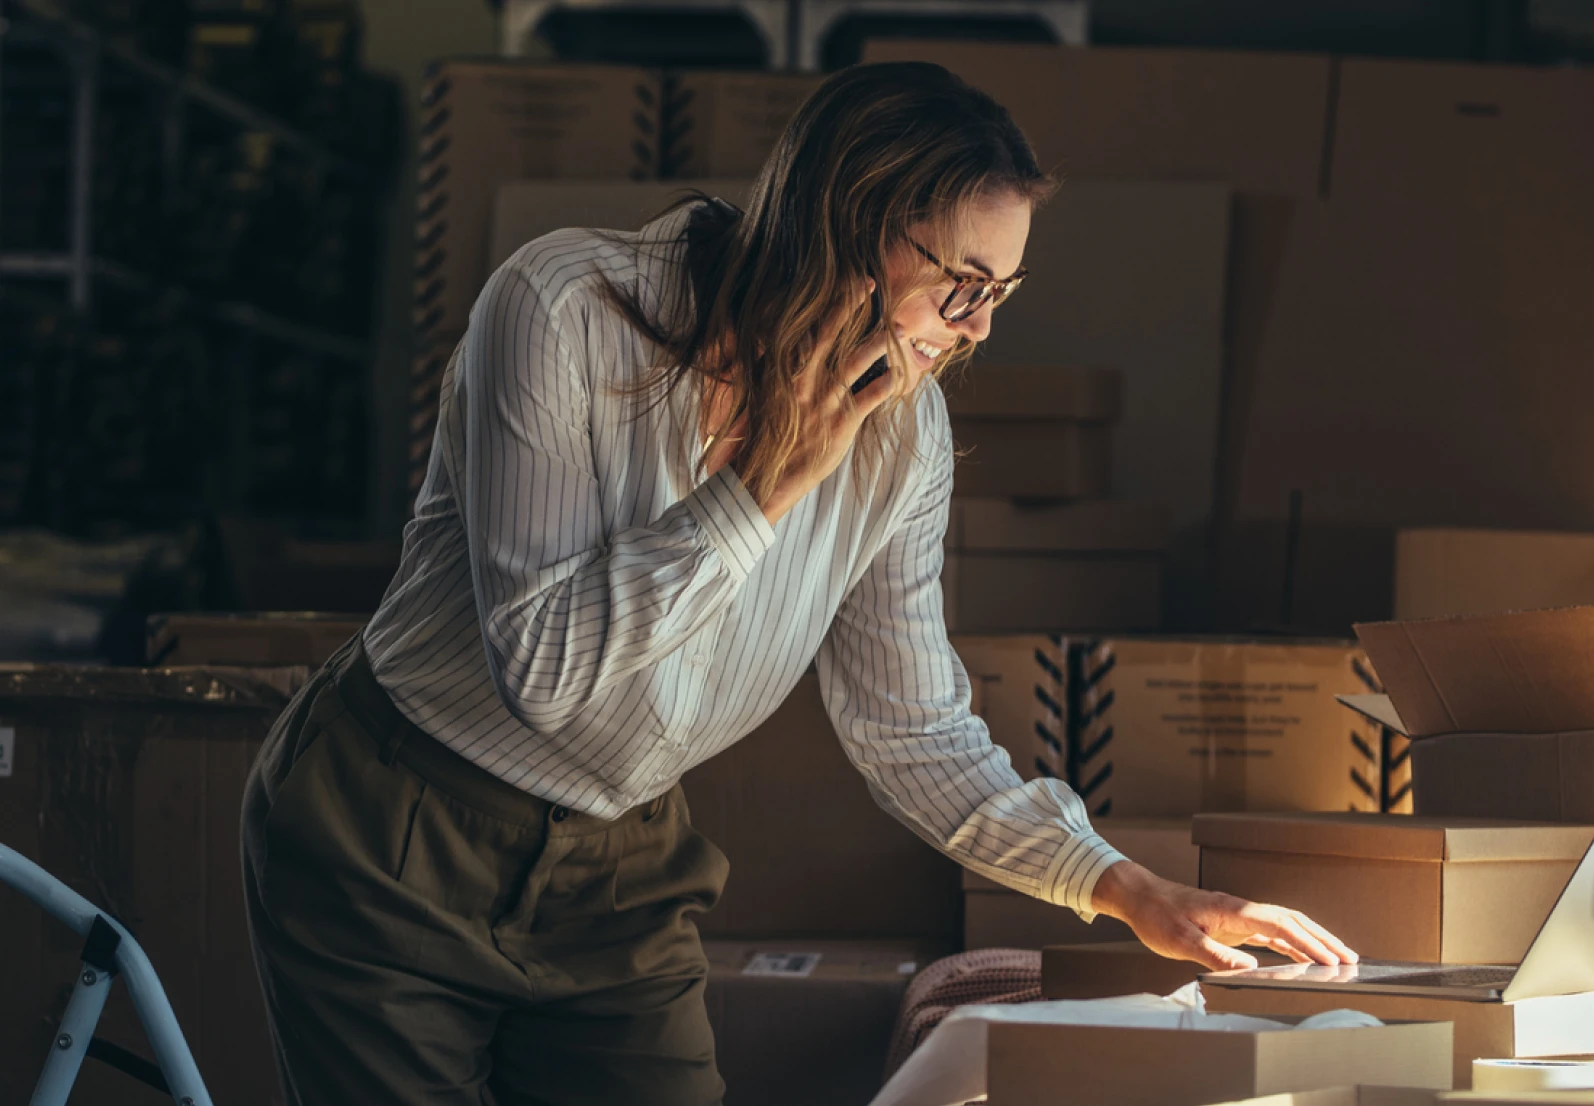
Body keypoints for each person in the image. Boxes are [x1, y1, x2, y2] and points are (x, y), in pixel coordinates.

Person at [241, 60, 1356, 1106]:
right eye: (960, 284)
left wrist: (1127, 889)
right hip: (389, 825)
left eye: (1001, 294)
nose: (972, 332)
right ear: (848, 224)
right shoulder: (561, 310)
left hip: (620, 858)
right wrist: (760, 488)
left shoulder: (903, 437)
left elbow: (911, 730)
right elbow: (542, 668)